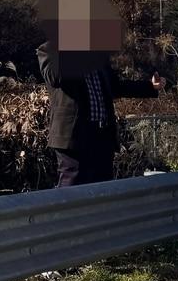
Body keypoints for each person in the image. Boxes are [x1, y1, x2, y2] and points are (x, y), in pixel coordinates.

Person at [37, 42, 165, 187]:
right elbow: (55, 77)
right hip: (74, 138)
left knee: (103, 192)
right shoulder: (49, 50)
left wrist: (149, 86)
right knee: (73, 191)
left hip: (102, 137)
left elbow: (115, 86)